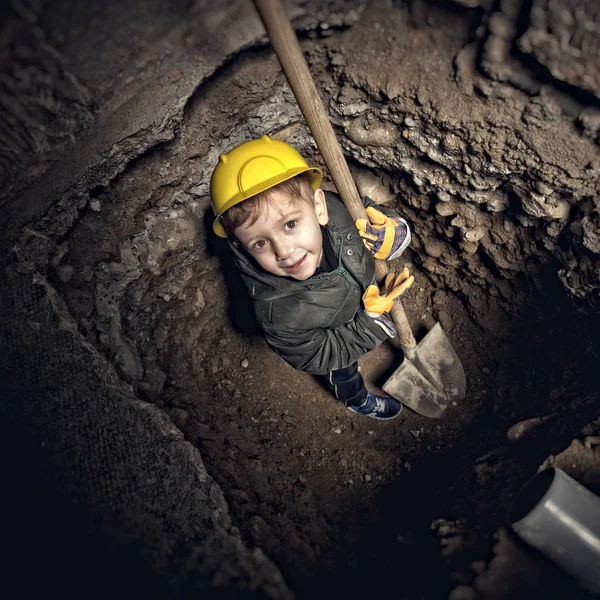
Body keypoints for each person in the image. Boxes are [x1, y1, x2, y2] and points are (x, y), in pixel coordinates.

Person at [210, 135, 414, 420]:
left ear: (319, 207)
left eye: (290, 224)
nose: (284, 251)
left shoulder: (339, 209)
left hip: (364, 294)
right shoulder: (279, 313)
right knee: (343, 371)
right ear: (240, 245)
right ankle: (356, 399)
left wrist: (394, 231)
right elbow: (316, 356)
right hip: (334, 335)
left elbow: (373, 212)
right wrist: (369, 325)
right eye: (259, 243)